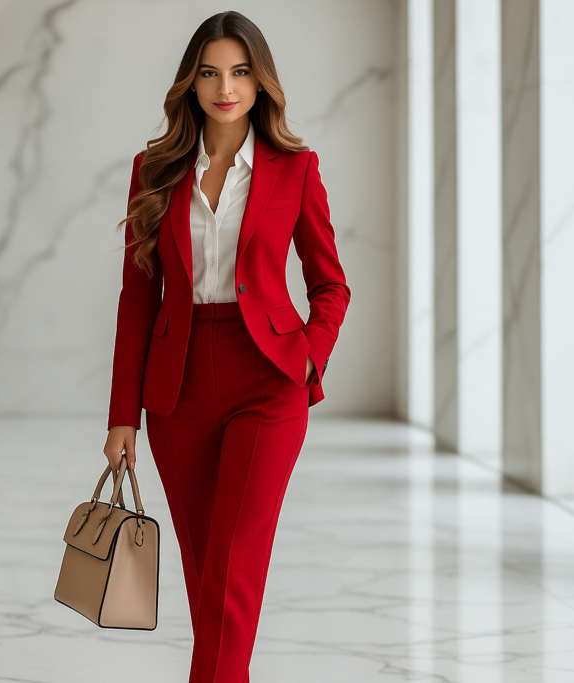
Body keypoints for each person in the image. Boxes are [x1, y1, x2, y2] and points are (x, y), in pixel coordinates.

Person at [102, 10, 350, 682]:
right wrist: (122, 415)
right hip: (177, 388)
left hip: (267, 380)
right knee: (205, 571)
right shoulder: (154, 170)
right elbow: (137, 297)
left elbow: (331, 285)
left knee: (234, 568)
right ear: (191, 82)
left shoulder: (295, 169)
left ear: (260, 80)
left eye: (240, 72)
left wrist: (308, 355)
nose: (225, 87)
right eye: (210, 73)